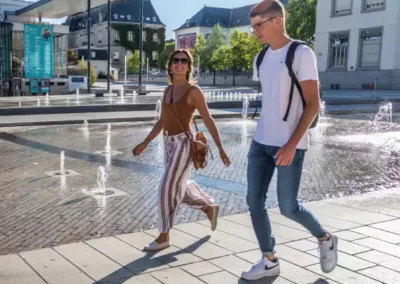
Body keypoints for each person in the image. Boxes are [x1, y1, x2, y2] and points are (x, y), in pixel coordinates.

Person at [241, 0, 337, 280]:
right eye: (253, 26)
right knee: (253, 201)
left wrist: (292, 144)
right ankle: (269, 259)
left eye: (258, 25)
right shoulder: (261, 58)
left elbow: (312, 104)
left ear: (277, 21)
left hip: (289, 144)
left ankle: (325, 238)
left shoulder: (301, 53)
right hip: (261, 141)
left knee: (288, 206)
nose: (255, 32)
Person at [133, 49, 231, 251]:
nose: (179, 63)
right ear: (170, 66)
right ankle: (207, 207)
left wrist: (220, 148)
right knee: (178, 186)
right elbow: (162, 121)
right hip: (168, 143)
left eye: (184, 61)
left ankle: (163, 236)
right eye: (175, 60)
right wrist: (145, 142)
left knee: (166, 187)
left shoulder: (193, 91)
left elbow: (208, 119)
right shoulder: (168, 91)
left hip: (183, 144)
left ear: (188, 67)